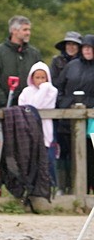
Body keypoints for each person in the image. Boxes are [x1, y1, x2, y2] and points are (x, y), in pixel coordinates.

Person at [55, 35, 94, 192]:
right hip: (68, 118)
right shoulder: (72, 66)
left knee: (91, 155)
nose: (87, 50)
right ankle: (71, 190)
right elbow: (59, 87)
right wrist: (63, 104)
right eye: (84, 47)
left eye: (90, 48)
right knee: (69, 154)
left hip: (91, 120)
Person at [0, 15, 43, 106]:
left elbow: (42, 77)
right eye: (25, 30)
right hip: (7, 106)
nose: (28, 33)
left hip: (31, 106)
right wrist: (3, 100)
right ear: (14, 31)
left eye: (29, 30)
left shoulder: (34, 53)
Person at [18, 61, 59, 189]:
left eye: (43, 77)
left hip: (45, 130)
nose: (40, 80)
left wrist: (44, 88)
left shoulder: (52, 90)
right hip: (28, 128)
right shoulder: (26, 91)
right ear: (32, 78)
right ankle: (32, 188)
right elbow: (25, 107)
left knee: (48, 161)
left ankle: (52, 187)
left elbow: (38, 105)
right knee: (31, 161)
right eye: (37, 77)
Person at [50, 31, 81, 190]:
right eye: (69, 44)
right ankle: (63, 187)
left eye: (74, 44)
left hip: (81, 110)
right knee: (62, 151)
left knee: (80, 152)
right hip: (61, 112)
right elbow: (55, 85)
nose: (71, 47)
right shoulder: (57, 62)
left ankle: (78, 187)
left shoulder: (85, 64)